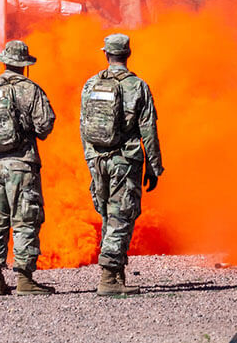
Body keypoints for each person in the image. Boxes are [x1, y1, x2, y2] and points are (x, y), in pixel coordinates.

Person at [0, 40, 57, 295]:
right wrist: (23, 131)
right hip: (22, 164)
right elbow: (46, 125)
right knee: (25, 219)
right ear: (25, 65)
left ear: (4, 61)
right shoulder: (31, 90)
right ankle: (25, 280)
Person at [79, 33, 163, 297]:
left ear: (106, 54)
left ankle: (116, 272)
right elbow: (148, 130)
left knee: (108, 214)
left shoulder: (91, 84)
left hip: (97, 159)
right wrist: (154, 166)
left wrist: (90, 158)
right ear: (128, 54)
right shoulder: (137, 86)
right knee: (120, 216)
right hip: (124, 161)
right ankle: (108, 278)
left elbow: (83, 125)